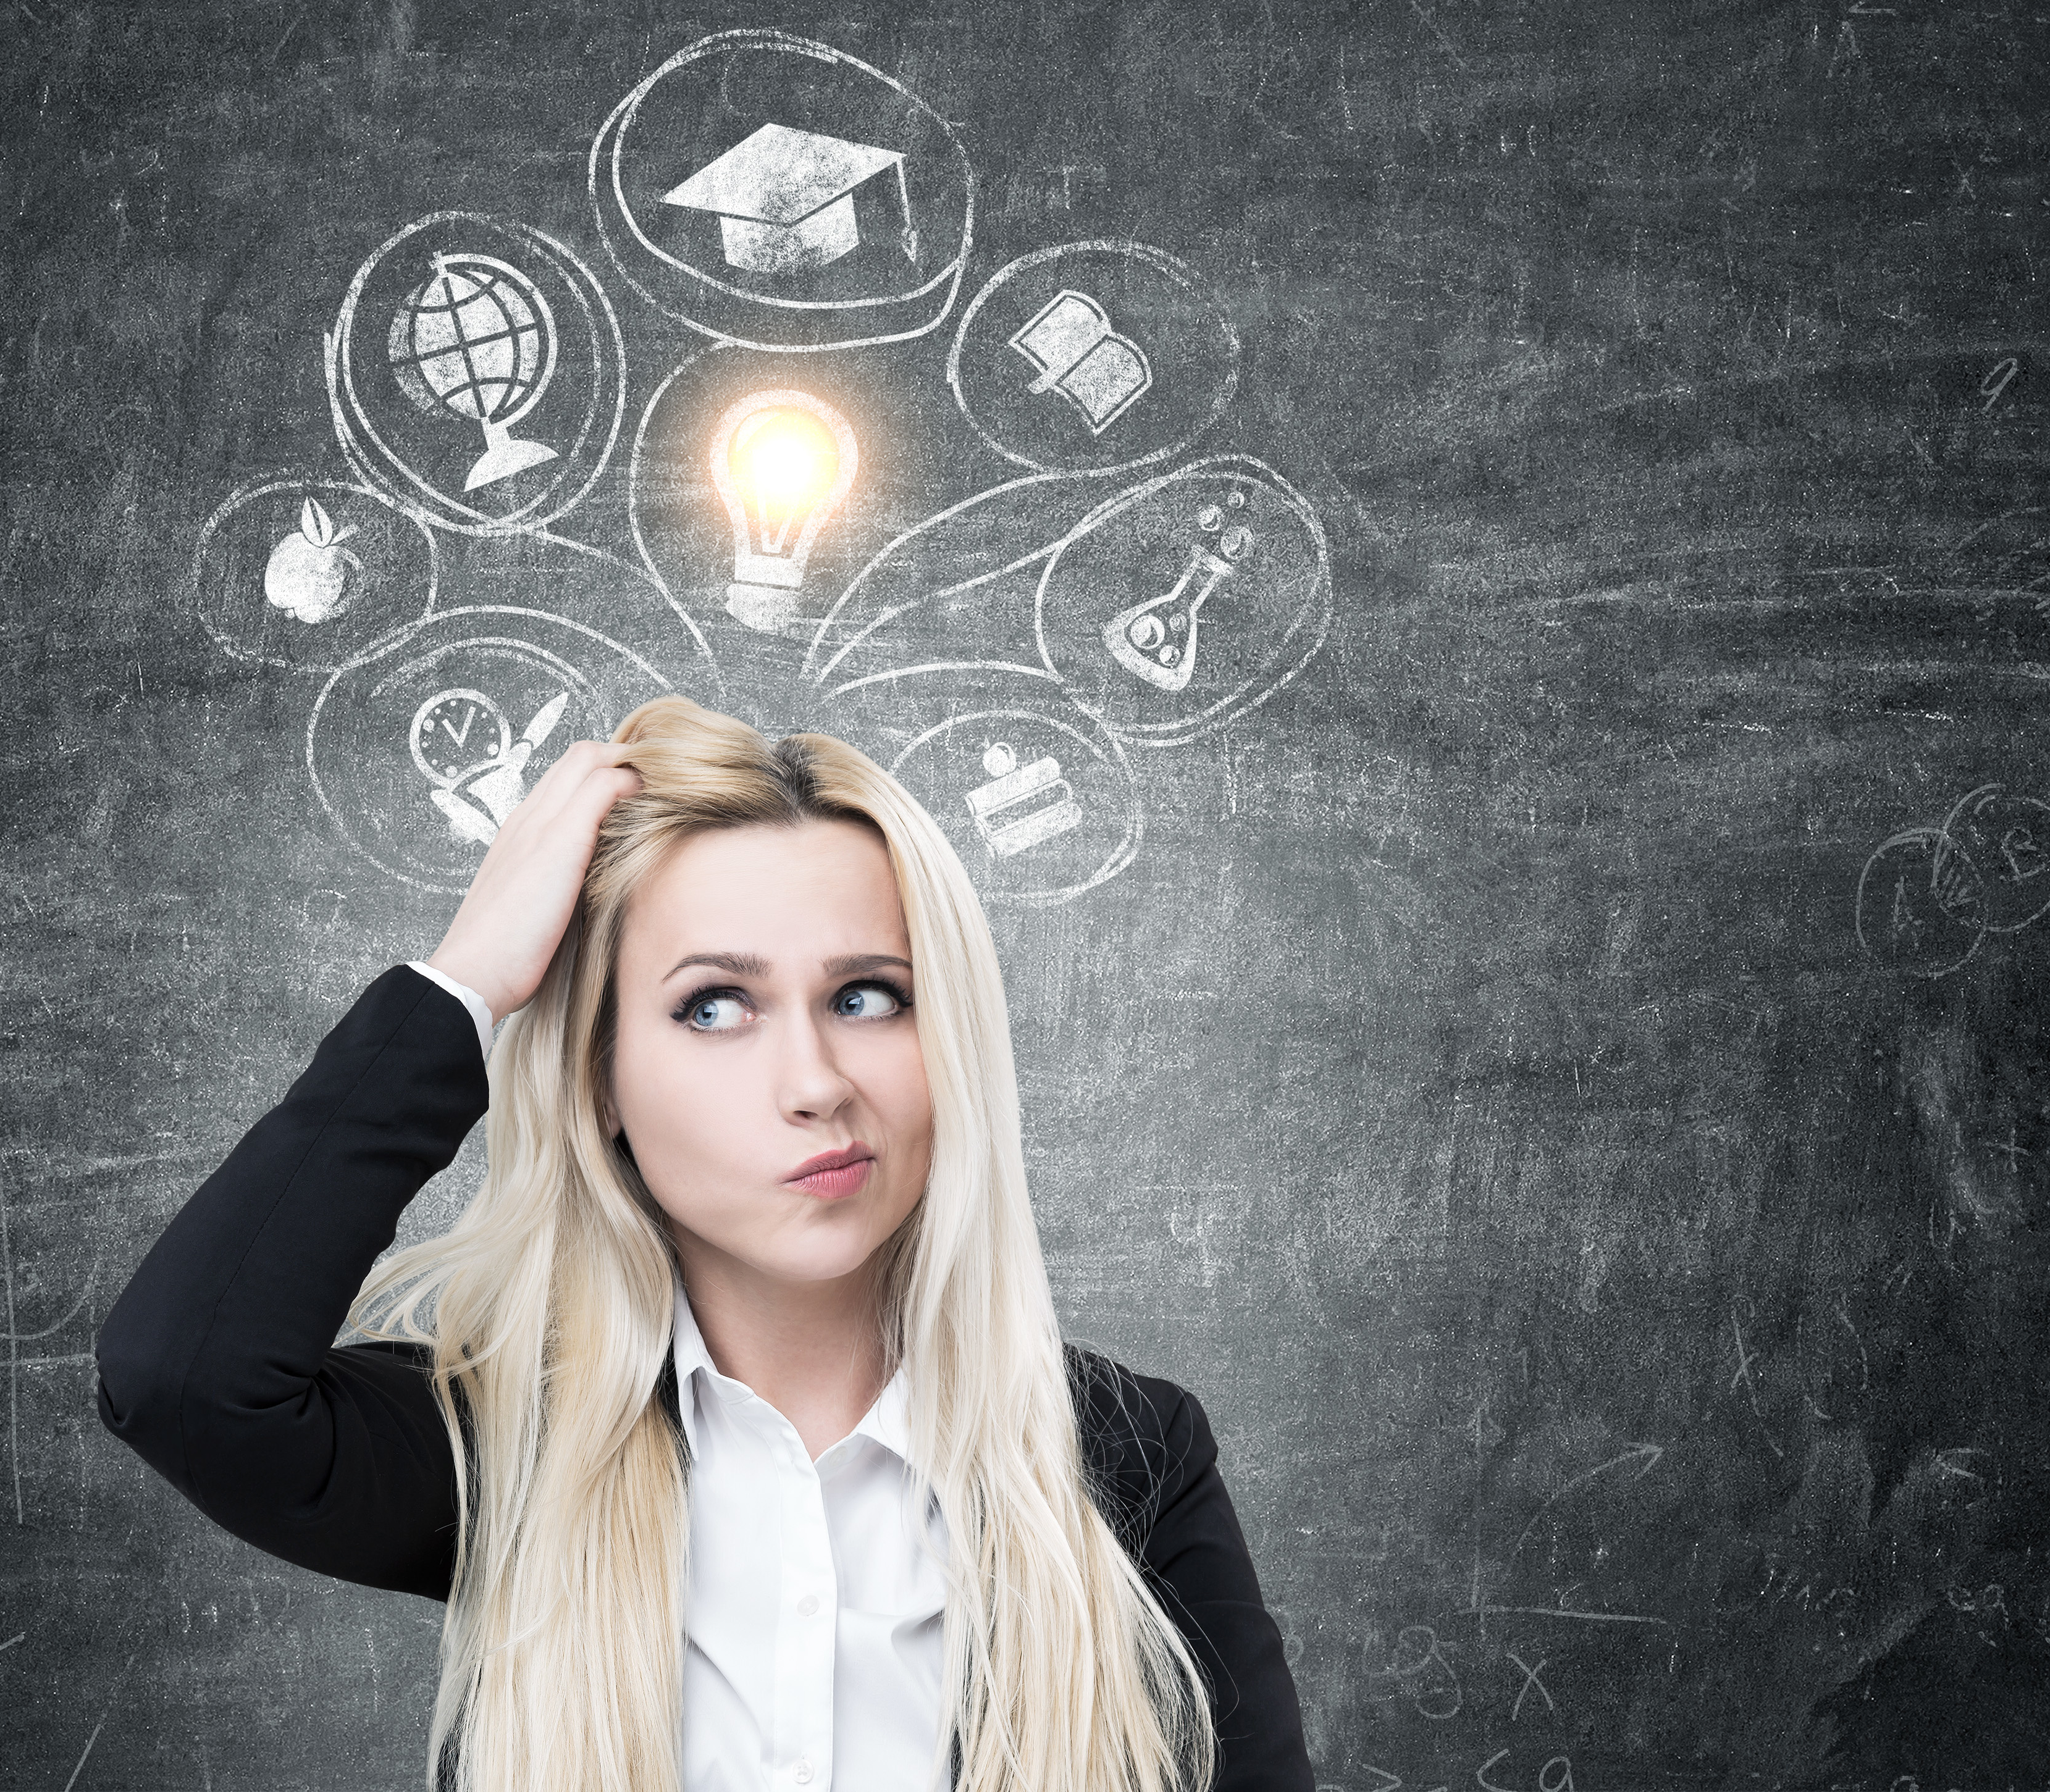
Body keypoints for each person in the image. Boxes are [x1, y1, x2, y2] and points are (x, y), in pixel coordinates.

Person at [93, 695, 1313, 1792]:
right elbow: (183, 1379)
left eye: (868, 995)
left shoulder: (1129, 1454)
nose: (816, 1082)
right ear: (604, 1082)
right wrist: (462, 985)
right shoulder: (510, 1447)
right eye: (713, 1006)